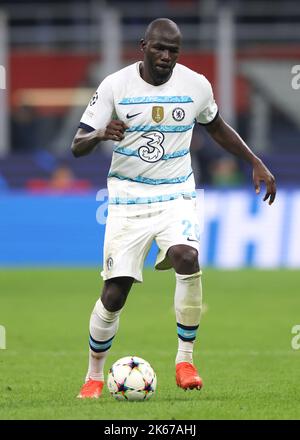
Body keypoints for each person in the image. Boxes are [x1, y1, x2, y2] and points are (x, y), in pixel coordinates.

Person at [71, 18, 276, 398]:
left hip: (176, 193)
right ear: (143, 46)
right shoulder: (115, 86)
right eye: (159, 48)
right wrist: (101, 133)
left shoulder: (195, 85)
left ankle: (185, 359)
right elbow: (77, 143)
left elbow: (216, 127)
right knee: (115, 293)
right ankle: (93, 376)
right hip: (128, 198)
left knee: (187, 255)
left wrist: (254, 160)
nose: (166, 56)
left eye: (173, 50)